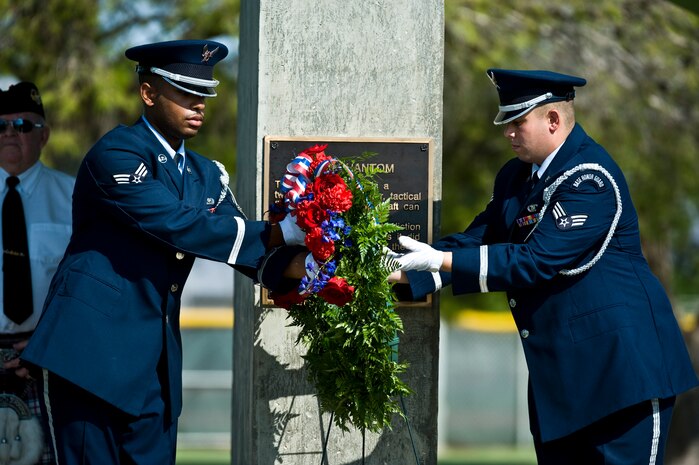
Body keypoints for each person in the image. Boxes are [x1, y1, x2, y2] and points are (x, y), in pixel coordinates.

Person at [391, 69, 699, 464]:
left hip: (622, 377)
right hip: (563, 383)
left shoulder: (590, 179)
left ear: (553, 121)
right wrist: (403, 269)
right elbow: (481, 241)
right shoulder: (516, 177)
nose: (509, 133)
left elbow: (536, 261)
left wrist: (441, 260)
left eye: (518, 122)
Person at [21, 39, 306, 465]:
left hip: (154, 368)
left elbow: (253, 255)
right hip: (90, 357)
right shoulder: (115, 154)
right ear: (149, 93)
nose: (199, 105)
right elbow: (180, 225)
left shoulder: (206, 174)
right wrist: (282, 231)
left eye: (205, 95)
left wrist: (324, 268)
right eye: (186, 93)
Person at [0, 81, 74, 465]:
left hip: (46, 359)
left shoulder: (76, 198)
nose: (11, 132)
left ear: (44, 135)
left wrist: (52, 344)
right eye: (2, 125)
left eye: (23, 125)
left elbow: (88, 289)